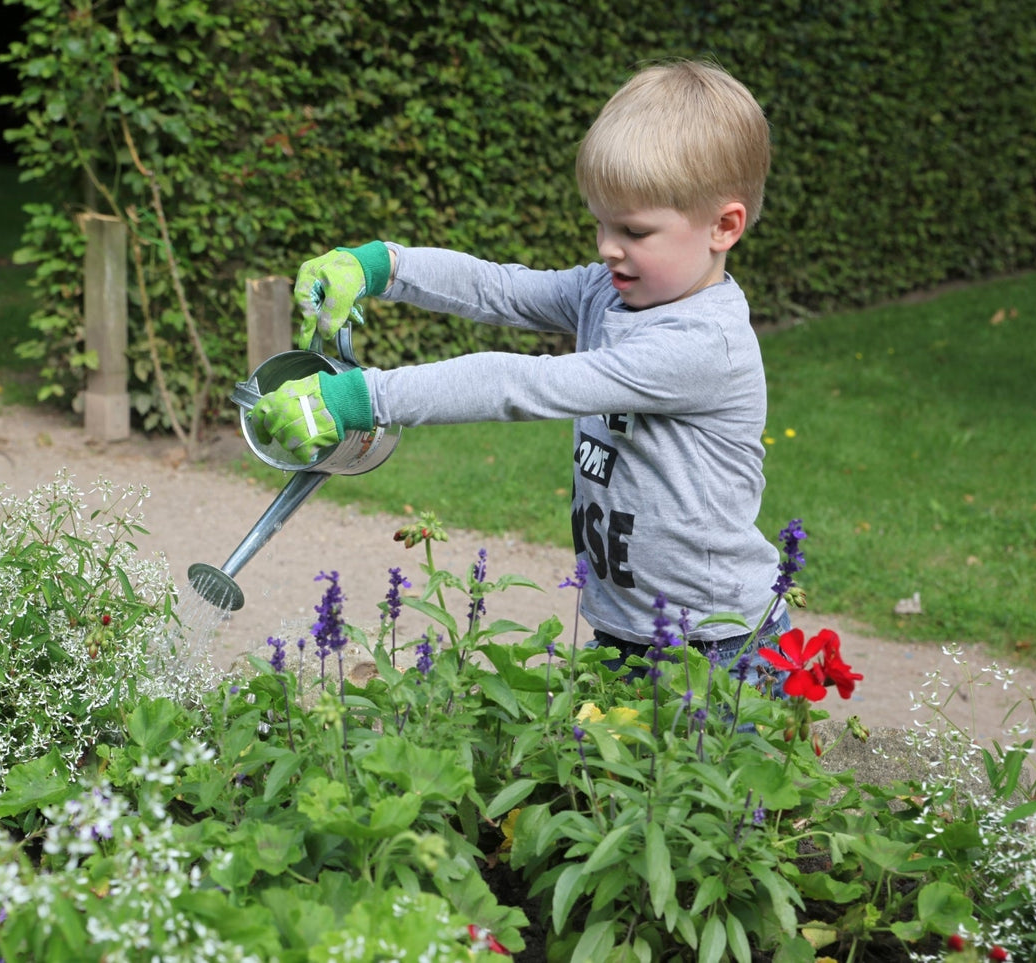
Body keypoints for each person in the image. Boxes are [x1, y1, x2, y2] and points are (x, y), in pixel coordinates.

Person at [251, 59, 789, 676]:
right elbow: (499, 288)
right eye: (600, 222)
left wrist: (358, 398)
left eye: (635, 230)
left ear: (724, 226)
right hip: (624, 631)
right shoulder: (608, 292)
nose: (607, 247)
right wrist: (380, 265)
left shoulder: (702, 344)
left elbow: (526, 383)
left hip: (718, 650)